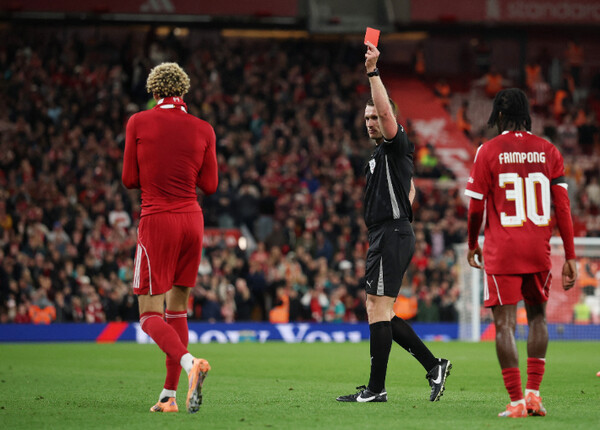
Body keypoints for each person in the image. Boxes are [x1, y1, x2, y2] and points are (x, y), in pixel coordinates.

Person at [336, 41, 451, 404]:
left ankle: (377, 389)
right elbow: (410, 189)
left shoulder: (394, 143)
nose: (372, 122)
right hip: (386, 233)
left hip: (391, 233)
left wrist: (373, 71)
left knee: (378, 308)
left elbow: (387, 113)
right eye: (367, 118)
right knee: (379, 309)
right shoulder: (379, 157)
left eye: (376, 117)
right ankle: (432, 366)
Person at [464, 88, 577, 418]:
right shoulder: (549, 150)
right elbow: (563, 208)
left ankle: (515, 402)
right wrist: (570, 256)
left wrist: (472, 243)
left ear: (498, 116)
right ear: (527, 116)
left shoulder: (487, 151)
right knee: (538, 317)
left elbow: (475, 208)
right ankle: (534, 396)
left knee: (505, 325)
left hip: (503, 251)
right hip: (538, 250)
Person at [122, 62, 218, 413]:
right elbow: (210, 185)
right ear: (184, 91)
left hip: (158, 219)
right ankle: (169, 396)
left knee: (149, 315)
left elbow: (129, 179)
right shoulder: (204, 128)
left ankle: (190, 362)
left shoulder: (138, 122)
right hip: (192, 221)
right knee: (177, 310)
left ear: (153, 91)